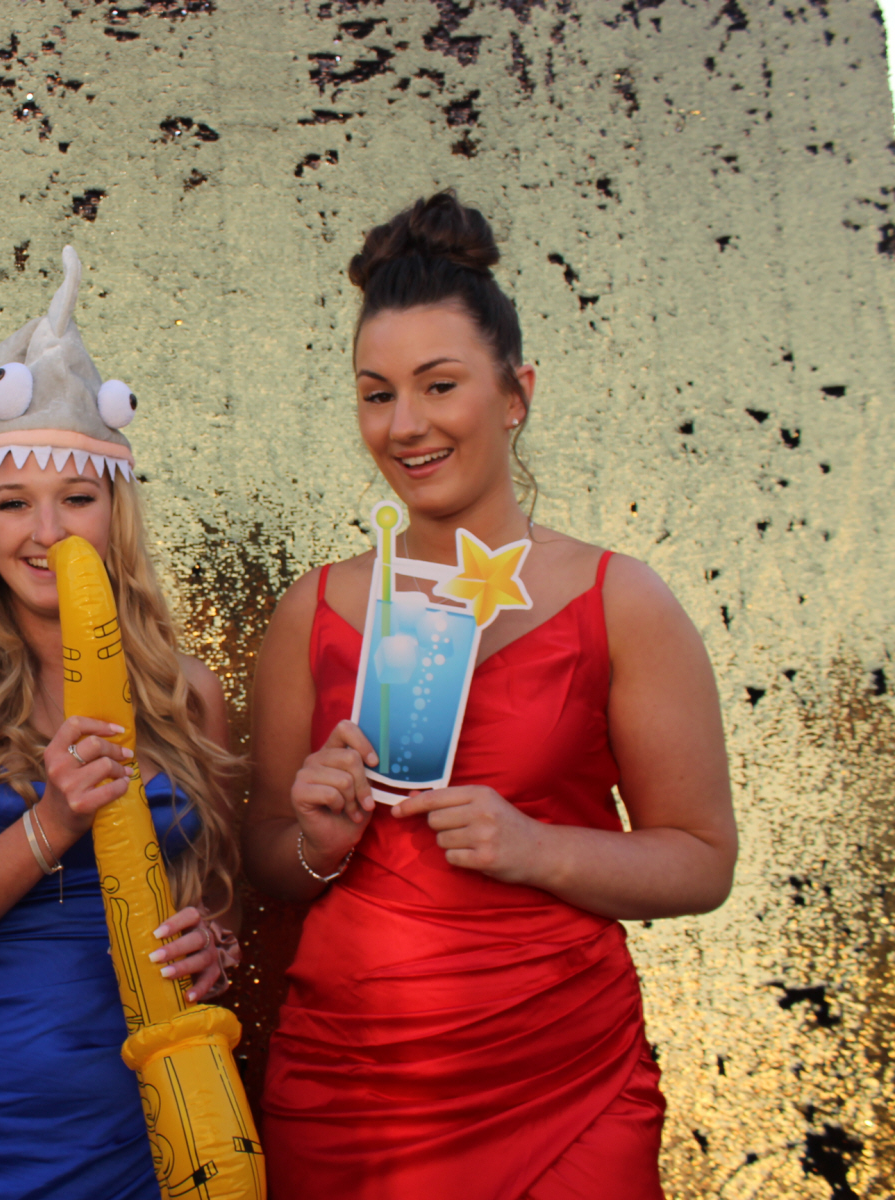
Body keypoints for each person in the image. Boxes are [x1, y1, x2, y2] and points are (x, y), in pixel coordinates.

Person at [247, 192, 738, 1200]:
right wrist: (317, 841)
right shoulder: (315, 610)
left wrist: (537, 847)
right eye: (376, 394)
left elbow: (701, 860)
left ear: (516, 394)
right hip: (352, 1095)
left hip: (568, 1083)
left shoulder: (621, 601)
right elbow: (268, 861)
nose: (406, 425)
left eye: (440, 385)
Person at [0, 246, 243, 1200]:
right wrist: (52, 822)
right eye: (14, 504)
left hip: (161, 1115)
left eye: (77, 498)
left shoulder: (190, 696)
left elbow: (219, 896)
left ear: (116, 512)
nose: (47, 532)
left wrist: (216, 943)